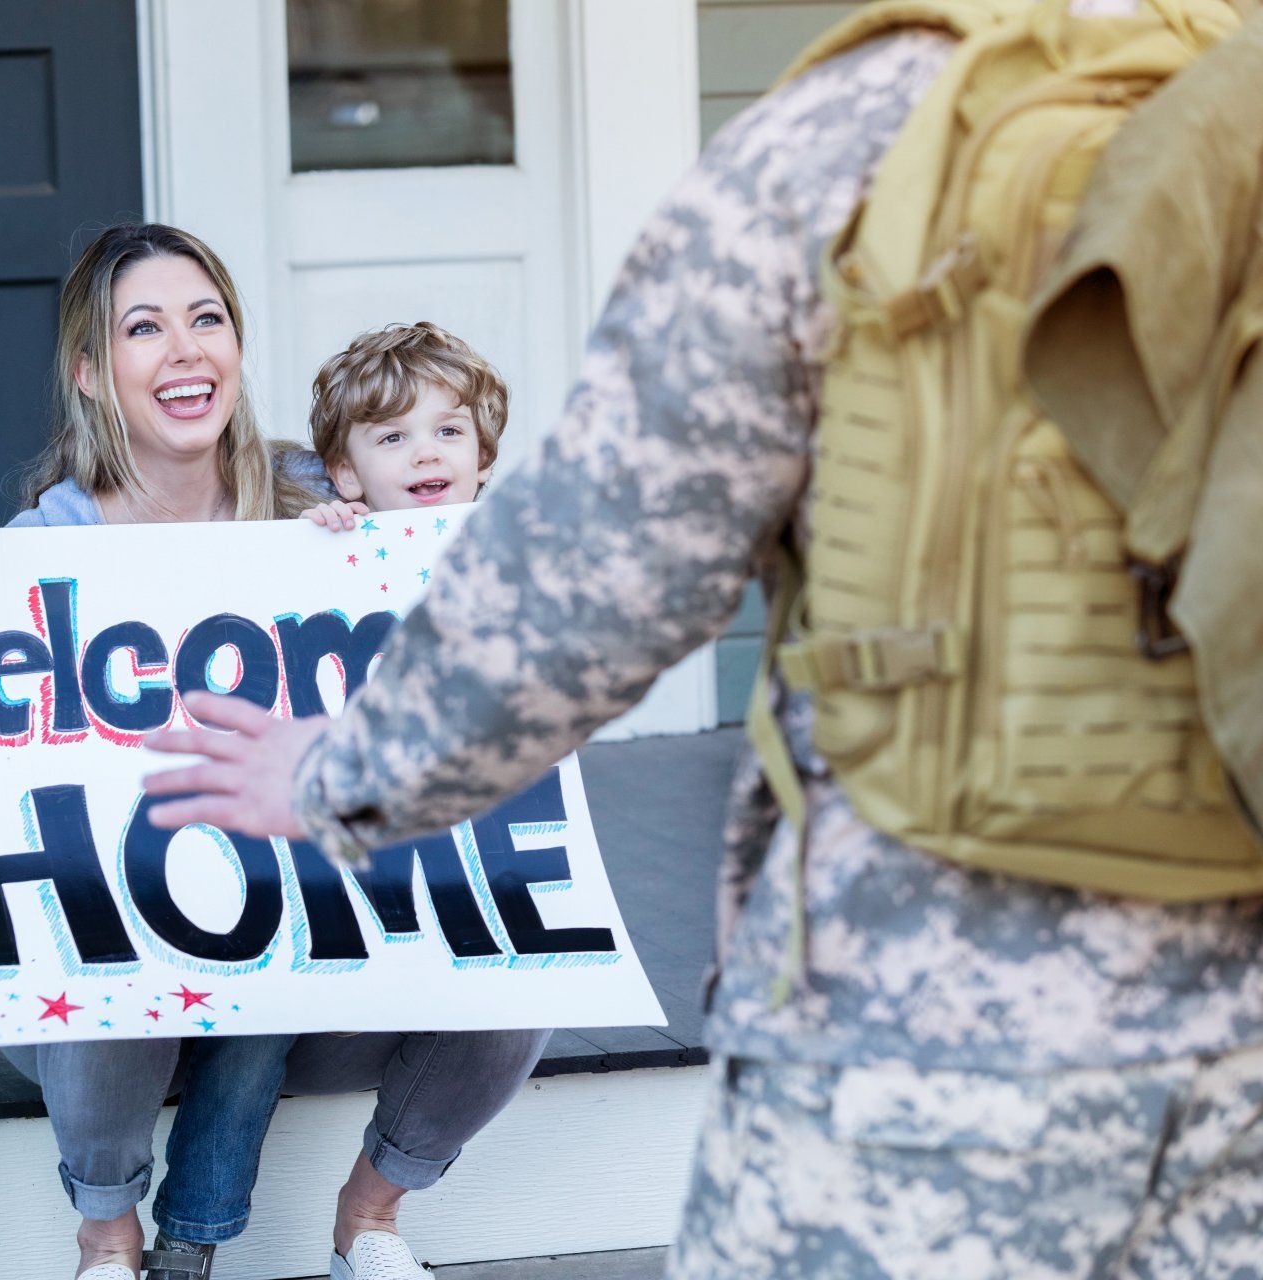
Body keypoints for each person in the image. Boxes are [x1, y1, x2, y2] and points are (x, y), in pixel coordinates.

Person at [138, 19, 1263, 1280]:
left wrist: (340, 767)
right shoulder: (1236, 89)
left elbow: (601, 570)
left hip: (923, 1000)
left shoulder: (836, 141)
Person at [0, 224, 545, 1280]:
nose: (184, 350)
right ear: (93, 372)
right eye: (145, 328)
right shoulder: (40, 550)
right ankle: (108, 1236)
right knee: (115, 945)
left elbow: (458, 565)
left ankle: (369, 1217)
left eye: (206, 319)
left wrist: (388, 553)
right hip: (113, 991)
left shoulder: (327, 501)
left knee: (528, 959)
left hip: (308, 945)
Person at [299, 320, 506, 532]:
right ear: (347, 474)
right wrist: (312, 540)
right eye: (393, 437)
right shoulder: (336, 544)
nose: (426, 454)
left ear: (482, 457)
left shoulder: (516, 546)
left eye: (448, 431)